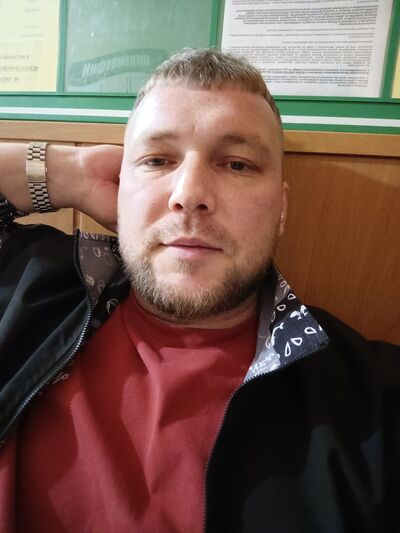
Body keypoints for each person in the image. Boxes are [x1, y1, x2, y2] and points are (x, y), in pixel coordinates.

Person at [0, 48, 398, 533]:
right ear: (121, 188)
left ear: (281, 209)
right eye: (156, 160)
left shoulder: (375, 403)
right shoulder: (26, 287)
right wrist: (68, 171)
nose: (188, 194)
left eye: (237, 165)